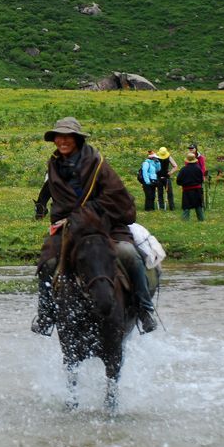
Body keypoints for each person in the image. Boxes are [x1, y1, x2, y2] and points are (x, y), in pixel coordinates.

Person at [31, 117, 157, 336]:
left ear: (77, 140)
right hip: (70, 229)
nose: (63, 141)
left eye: (68, 137)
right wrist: (67, 220)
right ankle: (47, 313)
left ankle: (144, 309)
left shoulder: (98, 163)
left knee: (128, 254)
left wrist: (85, 214)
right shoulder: (54, 165)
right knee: (48, 263)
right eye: (59, 137)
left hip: (106, 225)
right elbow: (60, 203)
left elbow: (118, 198)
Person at [176, 153, 205, 221]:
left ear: (187, 160)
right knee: (198, 205)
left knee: (186, 205)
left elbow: (178, 181)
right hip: (197, 190)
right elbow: (201, 180)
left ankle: (185, 220)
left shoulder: (183, 169)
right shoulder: (198, 169)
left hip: (187, 190)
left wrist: (183, 184)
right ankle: (201, 219)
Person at [156, 146, 178, 210]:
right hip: (166, 175)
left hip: (159, 176)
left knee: (160, 192)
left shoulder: (156, 158)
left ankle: (161, 206)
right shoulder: (169, 157)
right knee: (169, 192)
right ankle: (172, 207)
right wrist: (170, 172)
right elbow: (175, 166)